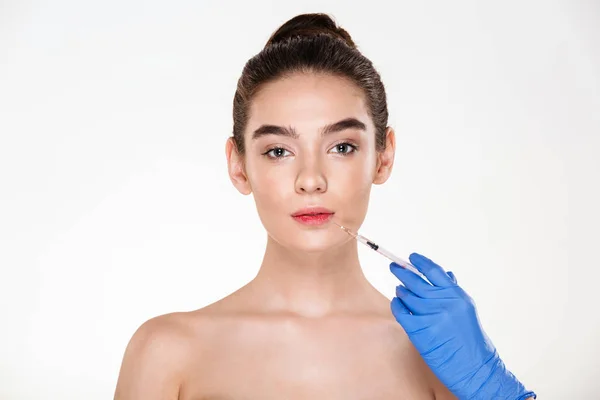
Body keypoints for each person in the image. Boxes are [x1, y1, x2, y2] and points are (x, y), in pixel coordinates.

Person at [114, 13, 537, 400]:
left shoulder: (439, 358)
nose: (311, 179)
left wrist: (494, 390)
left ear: (383, 156)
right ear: (238, 165)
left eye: (341, 146)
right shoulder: (166, 353)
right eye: (278, 150)